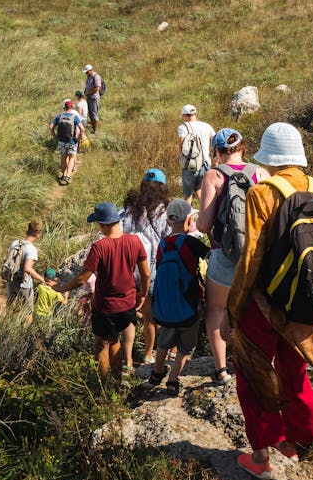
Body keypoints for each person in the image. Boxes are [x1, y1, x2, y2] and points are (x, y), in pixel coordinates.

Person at [223, 123, 313, 477]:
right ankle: (300, 440)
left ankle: (262, 457)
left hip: (264, 303)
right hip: (304, 300)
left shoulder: (262, 192)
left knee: (254, 372)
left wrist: (233, 309)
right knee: (293, 367)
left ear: (267, 158)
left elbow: (251, 257)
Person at [197, 128, 267, 383]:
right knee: (258, 308)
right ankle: (259, 363)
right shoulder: (260, 173)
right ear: (243, 149)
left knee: (217, 309)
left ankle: (221, 369)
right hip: (257, 255)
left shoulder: (213, 175)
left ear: (216, 152)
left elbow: (204, 224)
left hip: (224, 254)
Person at [56, 202, 150, 378]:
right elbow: (145, 274)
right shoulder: (134, 241)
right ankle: (117, 378)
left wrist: (61, 287)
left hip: (105, 306)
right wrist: (143, 294)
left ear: (104, 224)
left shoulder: (99, 247)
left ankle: (103, 383)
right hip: (127, 303)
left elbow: (81, 278)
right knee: (115, 341)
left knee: (101, 344)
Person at [147, 198, 209, 396]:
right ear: (189, 220)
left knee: (165, 340)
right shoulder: (191, 242)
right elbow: (211, 256)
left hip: (167, 305)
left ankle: (157, 372)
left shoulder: (162, 245)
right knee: (185, 346)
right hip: (189, 303)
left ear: (167, 221)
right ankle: (173, 380)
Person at [121, 168, 171, 364]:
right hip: (152, 270)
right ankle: (149, 354)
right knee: (150, 315)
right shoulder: (164, 211)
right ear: (162, 186)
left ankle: (127, 357)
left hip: (128, 270)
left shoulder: (130, 208)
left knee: (130, 313)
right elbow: (167, 240)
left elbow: (123, 233)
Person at [4, 219, 46, 322]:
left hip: (11, 280)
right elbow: (27, 268)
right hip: (24, 284)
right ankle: (25, 336)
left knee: (9, 308)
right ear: (38, 233)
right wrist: (42, 279)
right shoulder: (31, 249)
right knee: (28, 313)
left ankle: (6, 330)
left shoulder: (15, 243)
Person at [177, 105, 215, 203]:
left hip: (191, 164)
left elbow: (181, 144)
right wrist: (216, 160)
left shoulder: (183, 127)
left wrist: (180, 159)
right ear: (195, 114)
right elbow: (216, 141)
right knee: (201, 190)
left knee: (188, 194)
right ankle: (206, 214)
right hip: (206, 163)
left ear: (184, 115)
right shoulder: (207, 126)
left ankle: (187, 215)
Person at [49, 99, 84, 184]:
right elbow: (82, 129)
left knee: (63, 157)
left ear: (64, 107)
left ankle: (63, 174)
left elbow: (51, 127)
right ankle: (67, 176)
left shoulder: (59, 116)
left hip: (61, 141)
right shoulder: (74, 117)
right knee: (72, 157)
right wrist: (79, 139)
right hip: (71, 141)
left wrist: (54, 136)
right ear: (72, 107)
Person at [83, 64, 103, 134]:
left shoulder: (96, 77)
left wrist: (88, 93)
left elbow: (97, 89)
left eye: (87, 72)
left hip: (94, 98)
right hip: (89, 97)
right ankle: (93, 128)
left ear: (91, 70)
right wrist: (85, 92)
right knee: (90, 114)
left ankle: (96, 131)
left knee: (94, 114)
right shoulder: (89, 76)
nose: (86, 73)